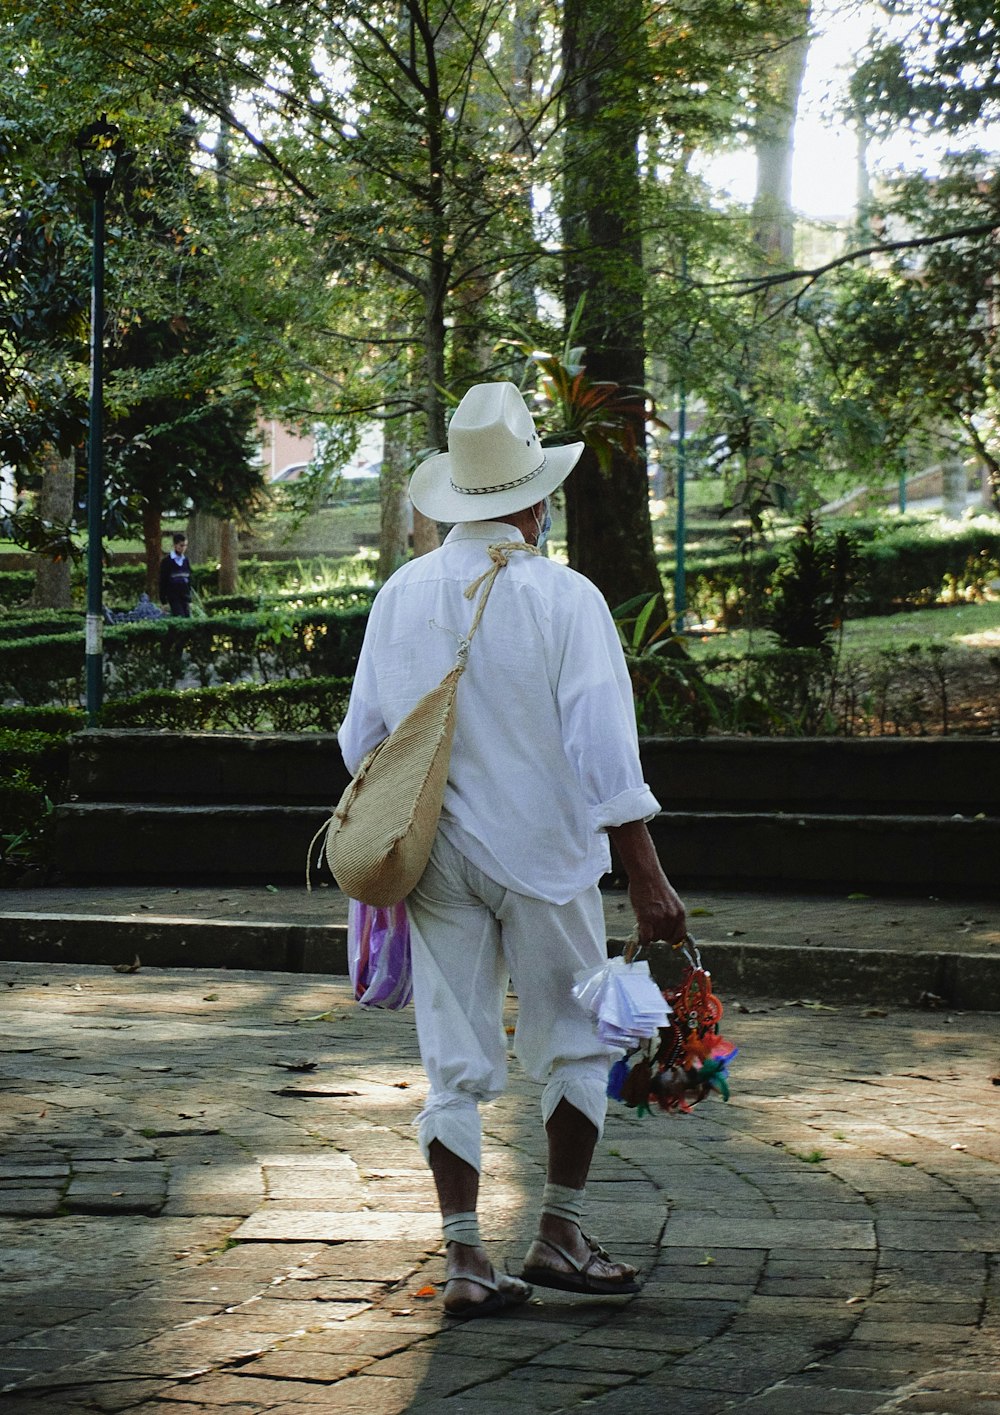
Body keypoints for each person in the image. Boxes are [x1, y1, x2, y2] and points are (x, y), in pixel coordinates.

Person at [338, 381, 687, 1319]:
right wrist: (649, 875)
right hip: (546, 854)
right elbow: (604, 749)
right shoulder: (564, 597)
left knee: (452, 1057)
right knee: (575, 1041)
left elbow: (358, 739)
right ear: (535, 498)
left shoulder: (401, 594)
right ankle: (561, 1231)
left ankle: (463, 1257)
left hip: (435, 860)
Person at [158, 532, 193, 617]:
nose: (183, 548)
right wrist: (164, 601)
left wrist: (190, 599)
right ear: (175, 545)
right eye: (181, 545)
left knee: (188, 618)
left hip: (185, 596)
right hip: (173, 596)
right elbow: (163, 581)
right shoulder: (167, 561)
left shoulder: (186, 560)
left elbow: (189, 580)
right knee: (179, 617)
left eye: (185, 545)